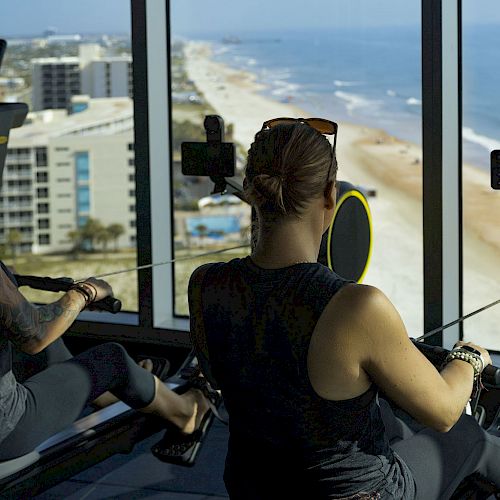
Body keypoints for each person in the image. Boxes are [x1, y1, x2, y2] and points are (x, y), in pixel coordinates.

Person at [187, 118, 500, 499]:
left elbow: (220, 375)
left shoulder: (205, 282)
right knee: (468, 436)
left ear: (251, 191)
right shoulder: (356, 306)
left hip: (253, 485)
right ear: (330, 196)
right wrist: (468, 359)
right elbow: (445, 412)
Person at [0, 263, 209, 461]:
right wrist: (85, 293)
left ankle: (111, 394)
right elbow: (34, 336)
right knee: (112, 359)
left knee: (47, 350)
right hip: (9, 429)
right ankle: (187, 413)